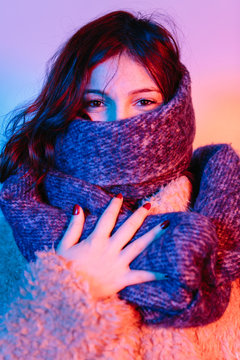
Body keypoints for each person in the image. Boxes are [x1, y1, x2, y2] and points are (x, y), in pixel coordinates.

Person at [0, 10, 240, 359]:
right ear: (68, 110)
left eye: (144, 101)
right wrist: (70, 292)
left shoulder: (229, 222)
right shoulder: (10, 231)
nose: (120, 122)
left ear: (176, 110)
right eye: (96, 103)